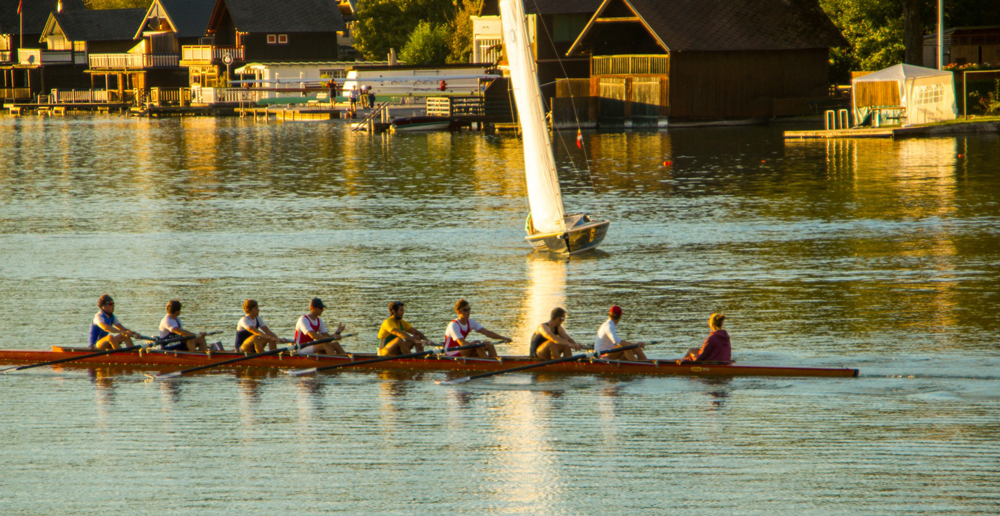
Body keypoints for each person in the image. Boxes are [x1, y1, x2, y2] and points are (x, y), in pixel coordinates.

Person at [443, 299, 511, 359]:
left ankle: (495, 363)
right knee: (477, 343)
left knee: (489, 345)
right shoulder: (453, 325)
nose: (468, 311)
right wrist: (478, 344)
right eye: (465, 310)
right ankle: (489, 364)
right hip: (451, 353)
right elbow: (462, 343)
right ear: (458, 312)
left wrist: (503, 338)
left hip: (462, 350)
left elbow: (487, 333)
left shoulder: (470, 322)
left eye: (469, 309)